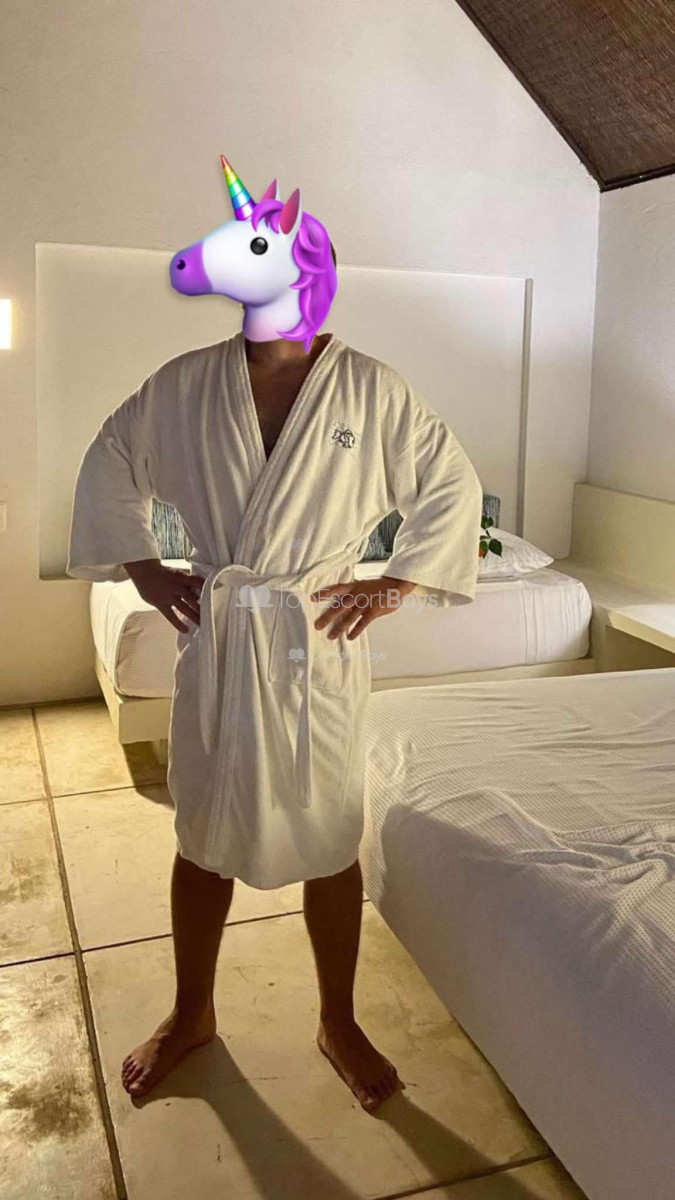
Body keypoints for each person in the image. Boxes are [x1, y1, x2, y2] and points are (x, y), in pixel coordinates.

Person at [67, 240, 482, 1113]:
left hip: (314, 640)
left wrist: (397, 580)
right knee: (201, 828)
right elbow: (111, 455)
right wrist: (142, 568)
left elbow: (447, 481)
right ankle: (192, 1011)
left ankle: (337, 1018)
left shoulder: (369, 389)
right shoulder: (185, 383)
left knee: (329, 832)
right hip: (223, 637)